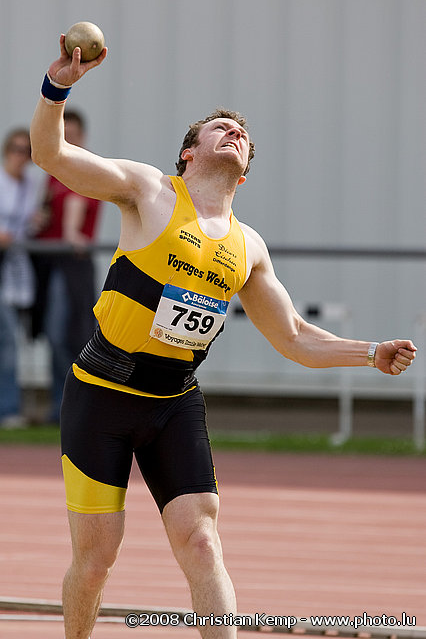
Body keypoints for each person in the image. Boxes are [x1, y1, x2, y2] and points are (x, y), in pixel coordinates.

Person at [30, 38, 417, 639]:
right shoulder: (148, 190)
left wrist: (370, 353)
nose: (235, 132)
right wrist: (57, 87)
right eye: (221, 127)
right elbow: (50, 154)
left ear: (247, 169)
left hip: (173, 404)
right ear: (189, 152)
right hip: (101, 395)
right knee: (97, 558)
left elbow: (294, 337)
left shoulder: (249, 247)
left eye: (243, 135)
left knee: (203, 543)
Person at [31, 109, 102, 423]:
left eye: (72, 135)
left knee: (70, 333)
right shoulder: (53, 172)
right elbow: (46, 211)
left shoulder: (86, 169)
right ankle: (61, 405)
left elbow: (77, 203)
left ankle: (75, 405)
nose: (68, 140)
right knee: (53, 333)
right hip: (49, 261)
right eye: (64, 135)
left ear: (82, 137)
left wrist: (72, 230)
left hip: (73, 265)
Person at [0, 128, 39, 429]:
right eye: (15, 149)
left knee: (13, 340)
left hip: (17, 272)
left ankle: (9, 406)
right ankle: (9, 407)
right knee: (9, 341)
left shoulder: (31, 186)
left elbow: (26, 227)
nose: (19, 156)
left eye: (26, 151)